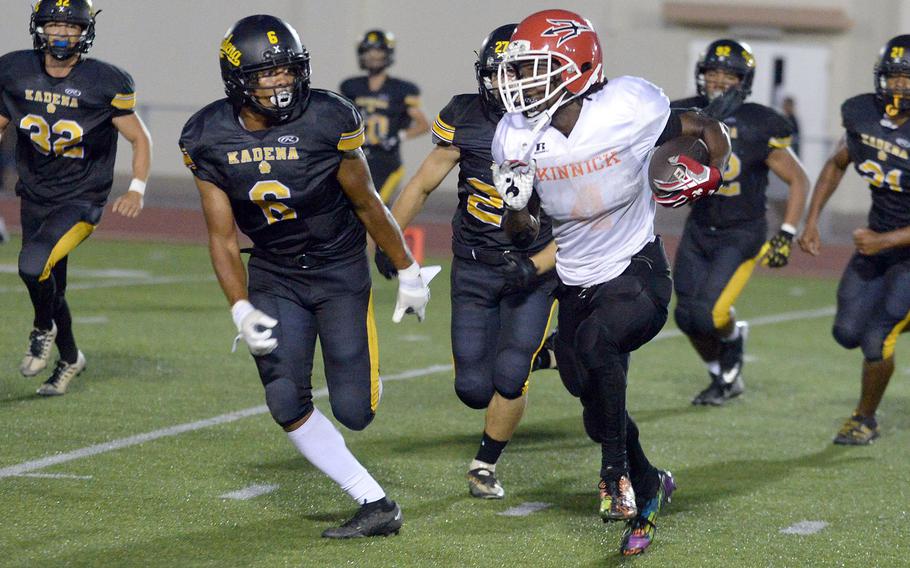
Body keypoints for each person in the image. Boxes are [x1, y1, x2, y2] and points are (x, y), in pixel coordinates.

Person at [180, 15, 438, 539]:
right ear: (237, 79)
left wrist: (408, 271)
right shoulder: (208, 135)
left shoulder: (325, 117)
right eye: (266, 73)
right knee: (284, 398)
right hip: (274, 273)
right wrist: (239, 305)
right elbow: (223, 237)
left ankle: (359, 383)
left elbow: (367, 204)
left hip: (339, 269)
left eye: (286, 71)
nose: (280, 83)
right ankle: (375, 503)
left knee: (354, 411)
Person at [491, 9, 730, 556]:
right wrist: (514, 206)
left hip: (636, 270)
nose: (521, 82)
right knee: (594, 406)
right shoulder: (515, 135)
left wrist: (710, 173)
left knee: (600, 345)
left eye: (535, 68)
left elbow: (708, 130)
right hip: (575, 281)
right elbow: (524, 227)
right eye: (520, 69)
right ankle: (650, 483)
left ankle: (615, 479)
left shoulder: (628, 106)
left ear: (577, 66)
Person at [375, 24, 558, 500]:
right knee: (474, 389)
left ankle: (484, 464)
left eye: (516, 72)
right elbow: (420, 183)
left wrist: (544, 262)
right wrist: (388, 239)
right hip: (475, 263)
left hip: (533, 267)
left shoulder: (560, 118)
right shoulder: (466, 114)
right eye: (497, 73)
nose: (506, 83)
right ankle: (544, 353)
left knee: (510, 375)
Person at [0, 0, 151, 395]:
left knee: (32, 267)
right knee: (52, 284)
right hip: (34, 194)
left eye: (71, 27)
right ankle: (70, 360)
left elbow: (140, 137)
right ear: (39, 28)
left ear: (86, 32)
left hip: (81, 199)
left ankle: (42, 327)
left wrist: (136, 188)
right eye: (54, 26)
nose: (62, 34)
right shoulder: (15, 71)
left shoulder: (104, 81)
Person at [670, 39, 809, 406]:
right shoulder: (683, 113)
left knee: (710, 314)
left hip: (742, 231)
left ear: (743, 80)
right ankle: (723, 376)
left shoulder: (758, 122)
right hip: (700, 227)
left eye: (727, 74)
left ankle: (732, 339)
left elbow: (798, 178)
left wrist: (788, 231)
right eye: (712, 72)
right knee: (685, 316)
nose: (717, 80)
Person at [799, 34, 910, 445]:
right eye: (895, 77)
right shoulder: (862, 114)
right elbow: (835, 164)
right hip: (877, 242)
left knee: (876, 336)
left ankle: (865, 418)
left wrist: (886, 241)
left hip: (901, 252)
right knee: (846, 332)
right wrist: (812, 221)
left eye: (908, 79)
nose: (900, 86)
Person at [339, 30, 429, 204]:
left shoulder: (402, 89)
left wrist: (399, 136)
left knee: (374, 208)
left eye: (378, 51)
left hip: (385, 161)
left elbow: (423, 124)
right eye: (369, 51)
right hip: (356, 156)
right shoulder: (351, 86)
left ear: (387, 53)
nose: (373, 56)